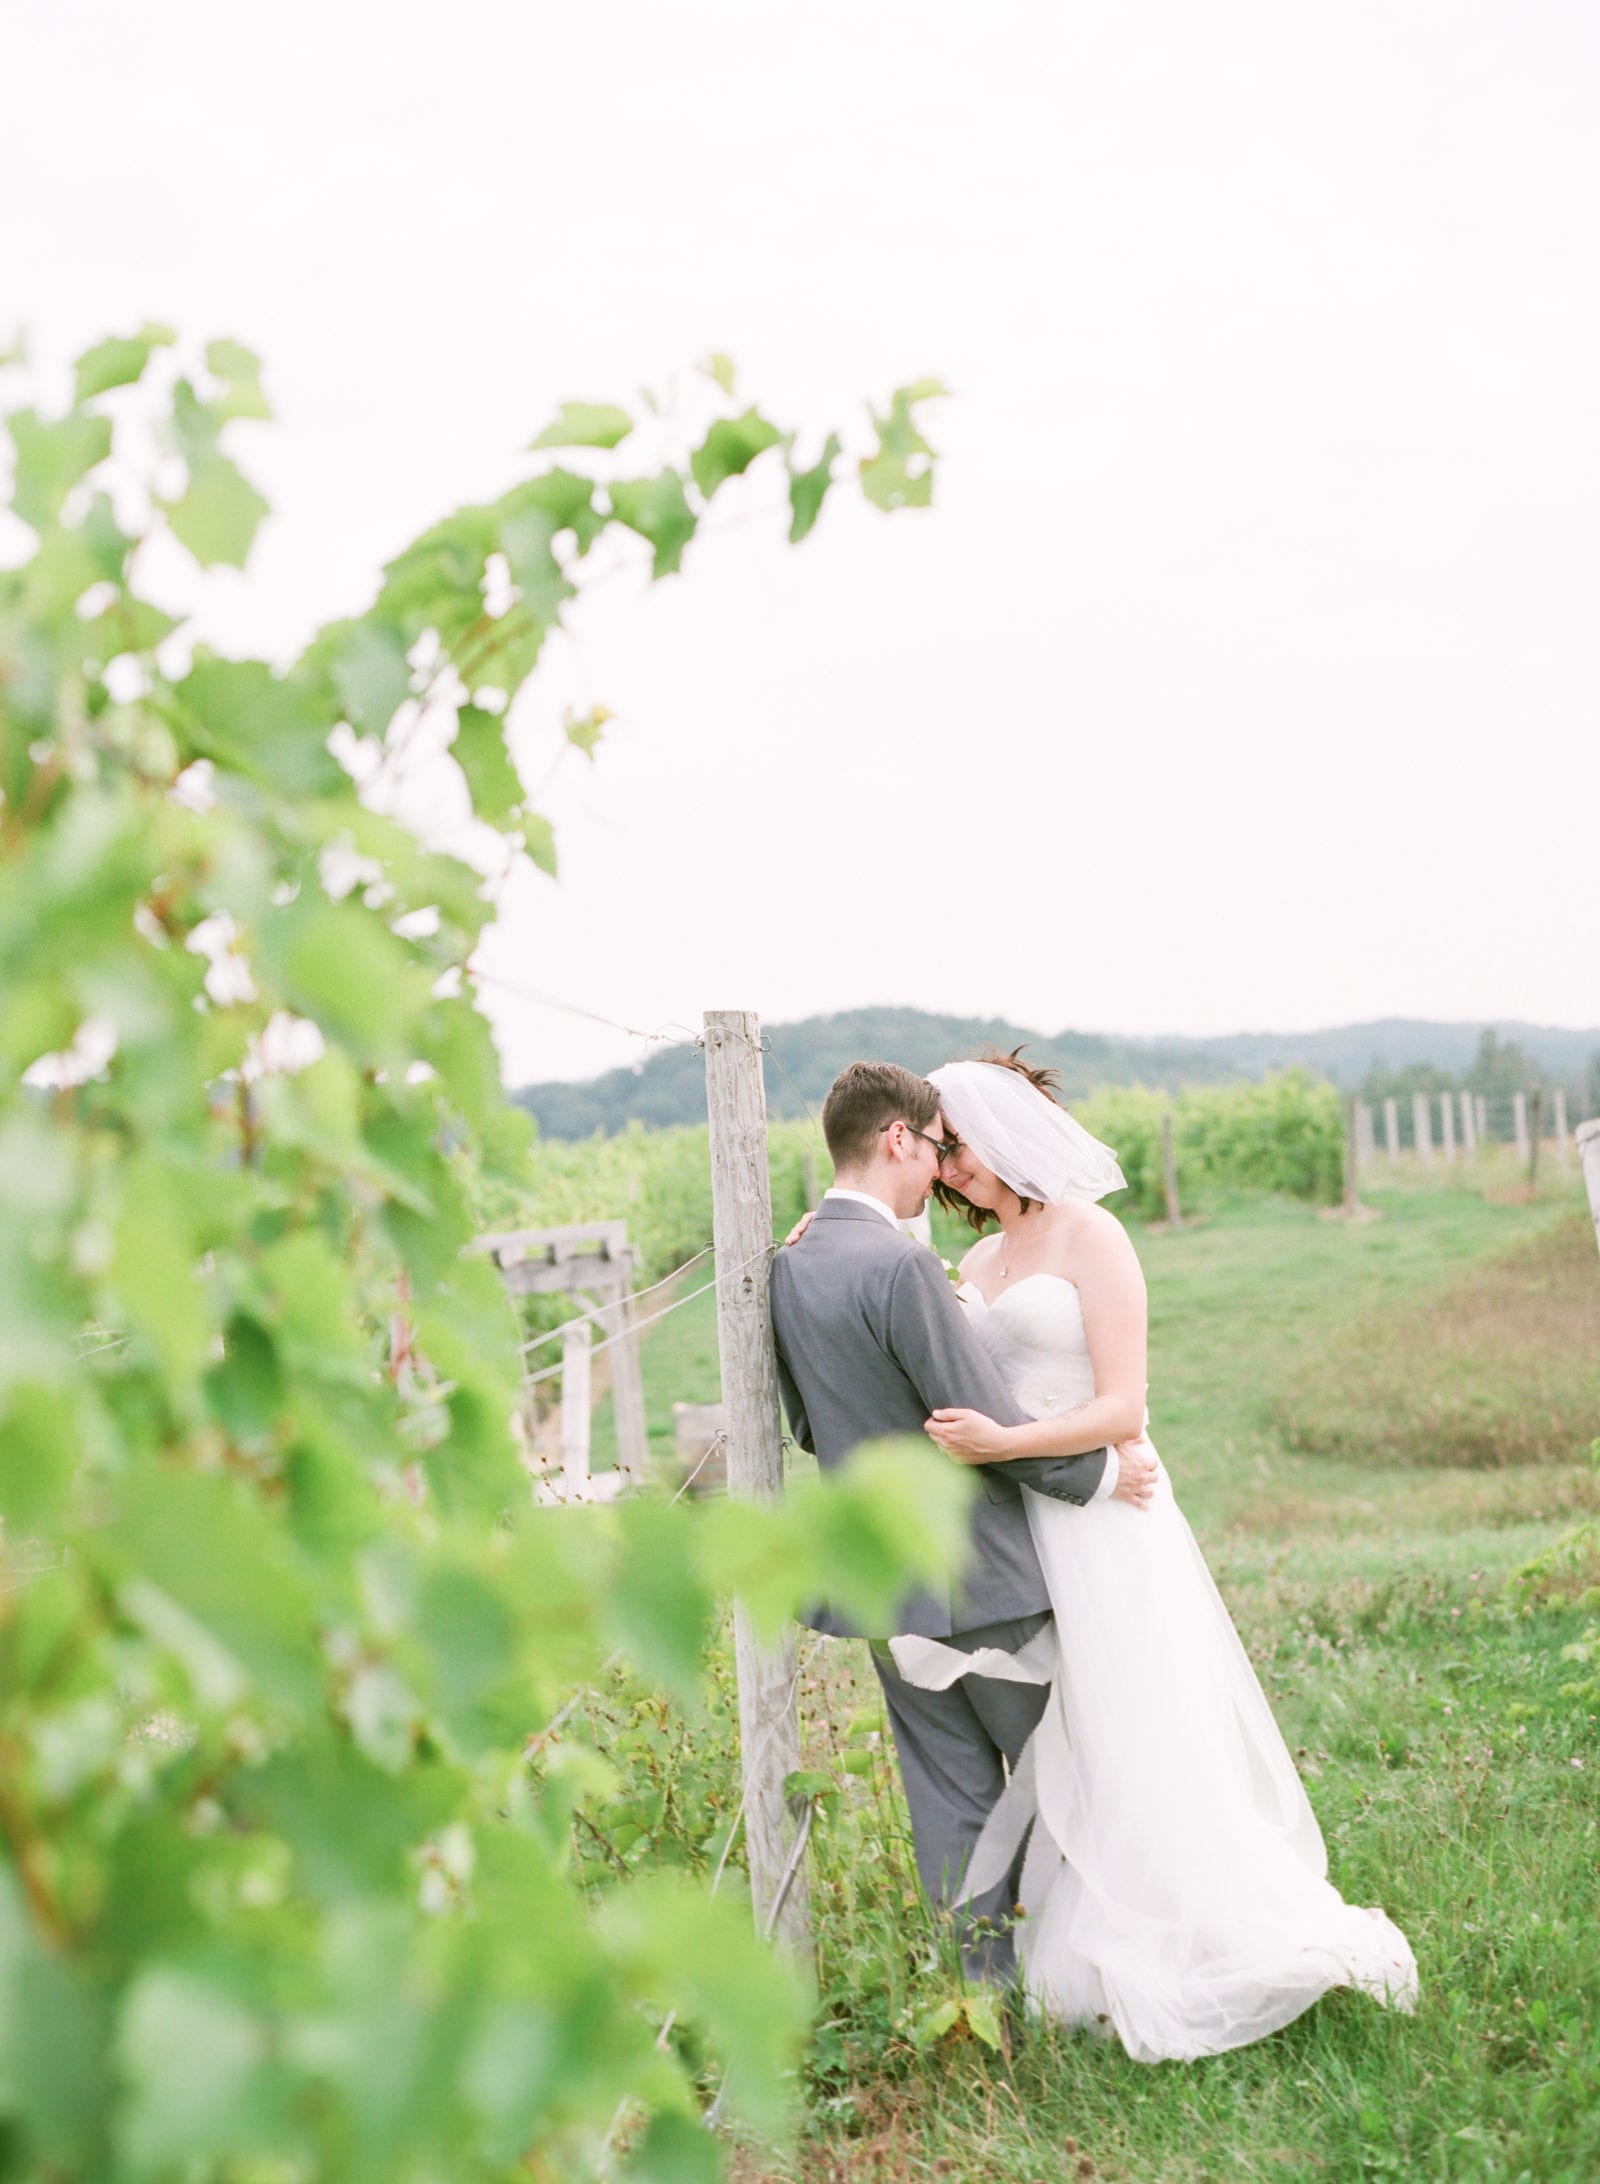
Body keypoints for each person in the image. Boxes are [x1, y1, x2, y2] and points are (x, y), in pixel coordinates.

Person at [897, 1050, 1418, 2061]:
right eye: (937, 1150)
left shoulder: (1093, 1238)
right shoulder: (976, 1267)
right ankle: (1087, 1921)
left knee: (1133, 1715)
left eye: (956, 1145)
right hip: (1025, 1523)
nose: (949, 1166)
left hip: (1103, 1516)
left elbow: (1121, 1406)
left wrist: (1005, 1445)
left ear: (1003, 1134)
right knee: (1067, 1731)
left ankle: (1196, 1925)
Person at [768, 1061, 1158, 1987]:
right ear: (898, 1138)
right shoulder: (904, 1262)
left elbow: (811, 1425)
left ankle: (983, 1997)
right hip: (986, 1578)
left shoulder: (790, 1262)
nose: (942, 1173)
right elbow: (971, 1413)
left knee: (948, 1799)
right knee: (1060, 1780)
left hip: (885, 1587)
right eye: (936, 1149)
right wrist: (1103, 1471)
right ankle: (1086, 1982)